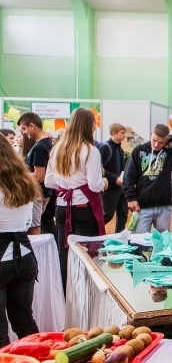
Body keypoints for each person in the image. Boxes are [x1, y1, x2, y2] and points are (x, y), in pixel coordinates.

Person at [44, 108, 107, 292]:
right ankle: (86, 295)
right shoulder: (90, 151)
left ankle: (66, 296)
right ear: (88, 126)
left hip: (63, 207)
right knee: (89, 254)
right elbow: (95, 186)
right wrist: (104, 182)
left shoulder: (57, 149)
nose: (95, 126)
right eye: (94, 122)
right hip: (85, 208)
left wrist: (67, 187)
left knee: (65, 252)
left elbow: (49, 181)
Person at [0, 136, 41, 346]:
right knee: (25, 321)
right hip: (25, 258)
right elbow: (27, 221)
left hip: (3, 259)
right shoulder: (24, 182)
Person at [123, 124, 172, 234]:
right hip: (142, 206)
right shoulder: (139, 150)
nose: (156, 144)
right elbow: (128, 175)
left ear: (166, 140)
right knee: (139, 239)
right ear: (150, 135)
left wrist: (169, 139)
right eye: (154, 140)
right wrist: (130, 197)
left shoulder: (170, 151)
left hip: (164, 205)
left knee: (163, 240)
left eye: (161, 142)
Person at [17, 113, 53, 235]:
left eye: (24, 129)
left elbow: (39, 176)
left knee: (33, 227)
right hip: (41, 193)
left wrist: (18, 175)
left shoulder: (40, 147)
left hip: (38, 193)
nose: (24, 133)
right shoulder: (44, 143)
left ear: (32, 126)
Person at [99, 123, 129, 233]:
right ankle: (96, 234)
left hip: (120, 188)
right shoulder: (105, 148)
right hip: (109, 189)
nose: (124, 135)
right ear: (114, 133)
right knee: (107, 215)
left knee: (123, 214)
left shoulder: (120, 150)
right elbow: (99, 168)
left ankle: (119, 239)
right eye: (122, 133)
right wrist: (114, 178)